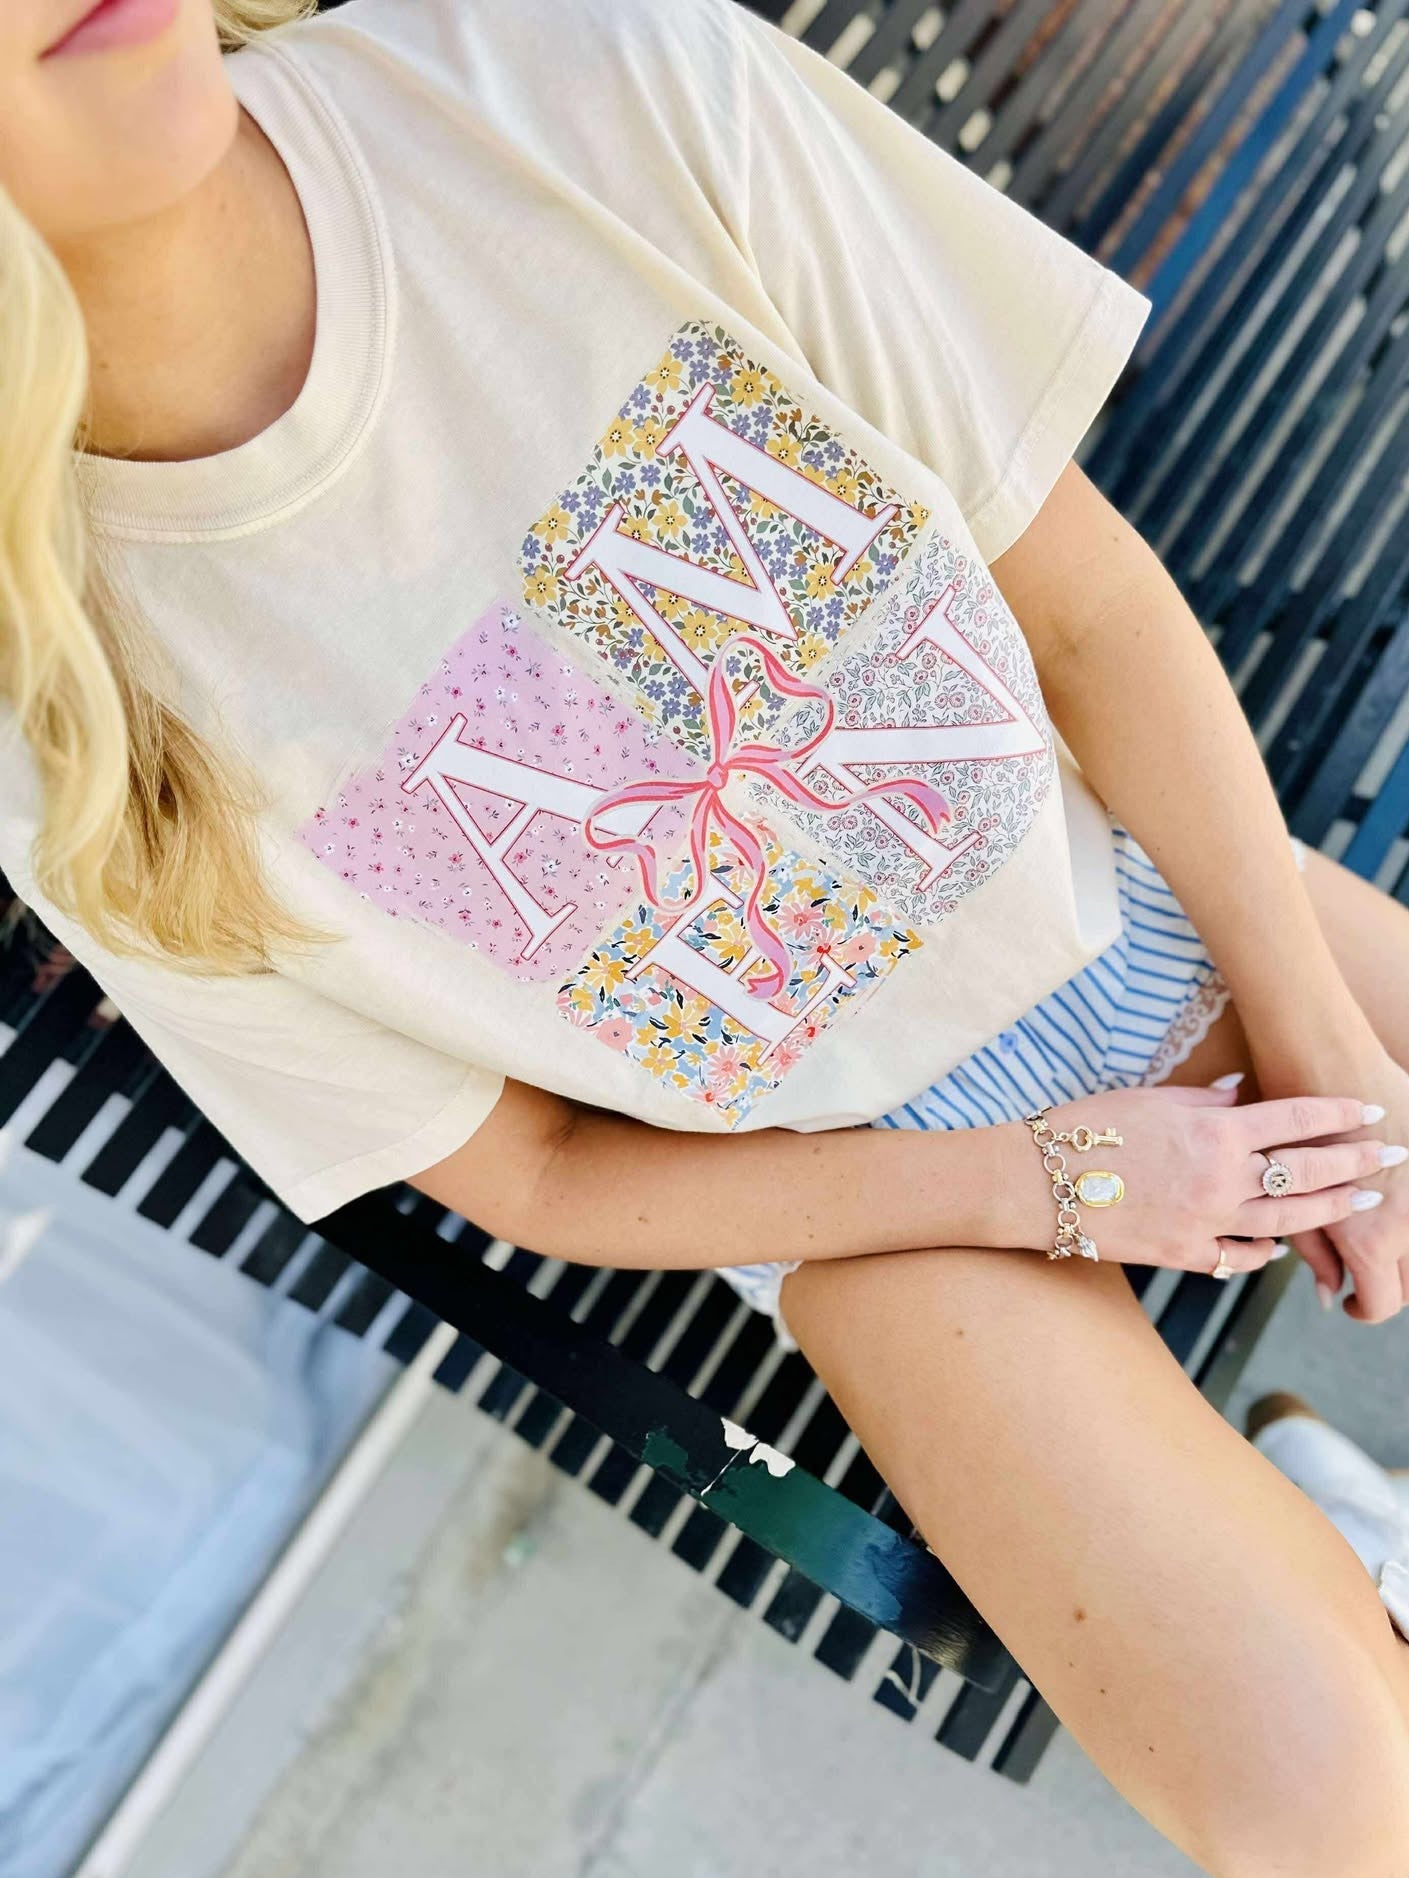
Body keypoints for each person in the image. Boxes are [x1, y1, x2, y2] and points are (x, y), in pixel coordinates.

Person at [2, 0, 1407, 1868]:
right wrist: (1053, 1179)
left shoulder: (581, 77)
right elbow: (547, 1169)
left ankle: (1340, 1538)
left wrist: (1316, 1036)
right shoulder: (61, 720)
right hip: (885, 1202)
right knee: (1335, 1811)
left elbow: (1080, 610)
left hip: (1156, 905)